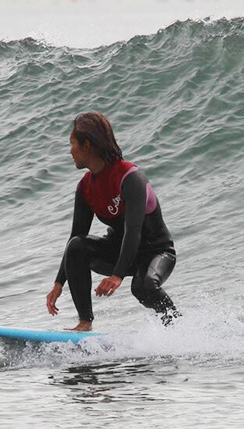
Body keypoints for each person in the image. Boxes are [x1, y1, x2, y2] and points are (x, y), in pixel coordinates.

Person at [46, 112, 179, 331]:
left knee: (143, 286)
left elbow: (133, 229)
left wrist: (117, 275)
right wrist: (59, 283)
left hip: (157, 251)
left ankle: (176, 326)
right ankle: (85, 322)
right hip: (120, 250)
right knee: (78, 246)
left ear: (86, 145)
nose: (70, 151)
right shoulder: (86, 187)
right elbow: (75, 238)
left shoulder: (130, 177)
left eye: (72, 144)